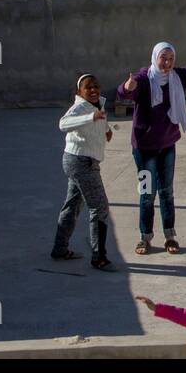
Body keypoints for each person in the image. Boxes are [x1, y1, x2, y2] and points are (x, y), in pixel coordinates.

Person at [117, 40, 186, 255]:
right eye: (163, 58)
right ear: (155, 57)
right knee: (147, 193)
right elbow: (126, 92)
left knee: (167, 192)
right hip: (144, 149)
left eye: (170, 58)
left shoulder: (176, 78)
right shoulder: (144, 79)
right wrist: (127, 88)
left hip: (167, 146)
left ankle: (170, 236)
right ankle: (144, 237)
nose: (166, 63)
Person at [51, 74, 115, 271]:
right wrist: (91, 117)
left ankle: (59, 249)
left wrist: (106, 129)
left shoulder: (97, 105)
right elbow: (63, 124)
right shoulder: (79, 107)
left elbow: (98, 119)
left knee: (73, 205)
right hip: (81, 162)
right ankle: (99, 257)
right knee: (100, 207)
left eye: (96, 86)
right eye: (89, 87)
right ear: (79, 92)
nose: (94, 90)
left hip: (77, 161)